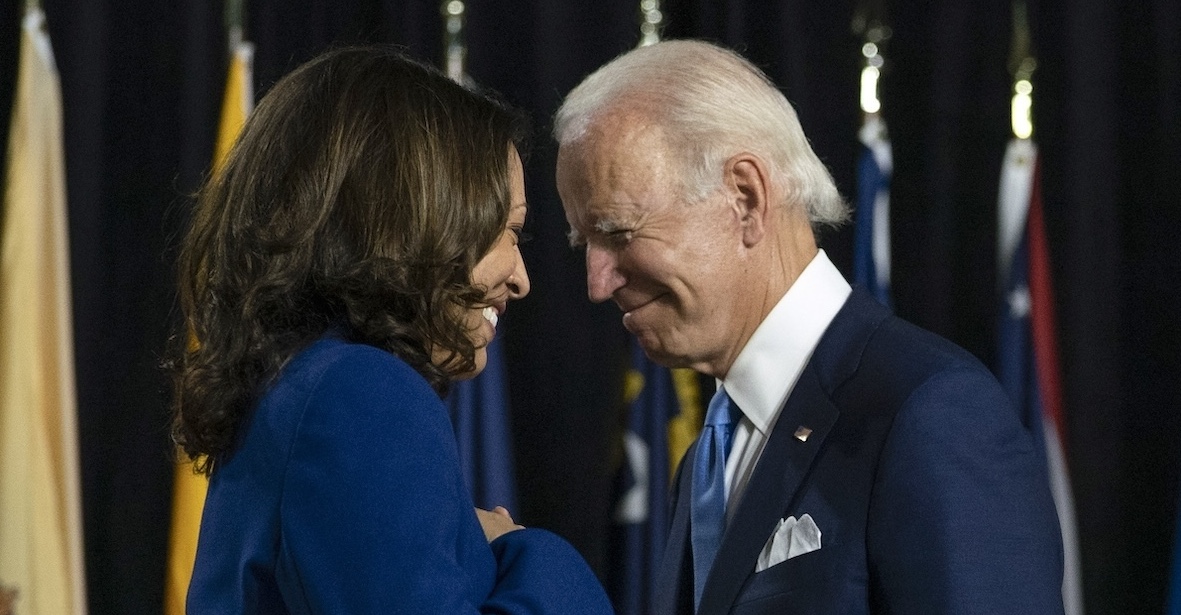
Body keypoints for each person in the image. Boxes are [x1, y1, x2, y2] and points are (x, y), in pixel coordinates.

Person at [554, 39, 1064, 614]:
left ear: (745, 199)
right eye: (585, 245)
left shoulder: (929, 414)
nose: (597, 282)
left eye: (618, 233)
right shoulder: (704, 462)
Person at [169, 46, 612, 614]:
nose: (522, 278)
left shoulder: (299, 383)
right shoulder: (358, 395)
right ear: (416, 221)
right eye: (508, 231)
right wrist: (521, 551)